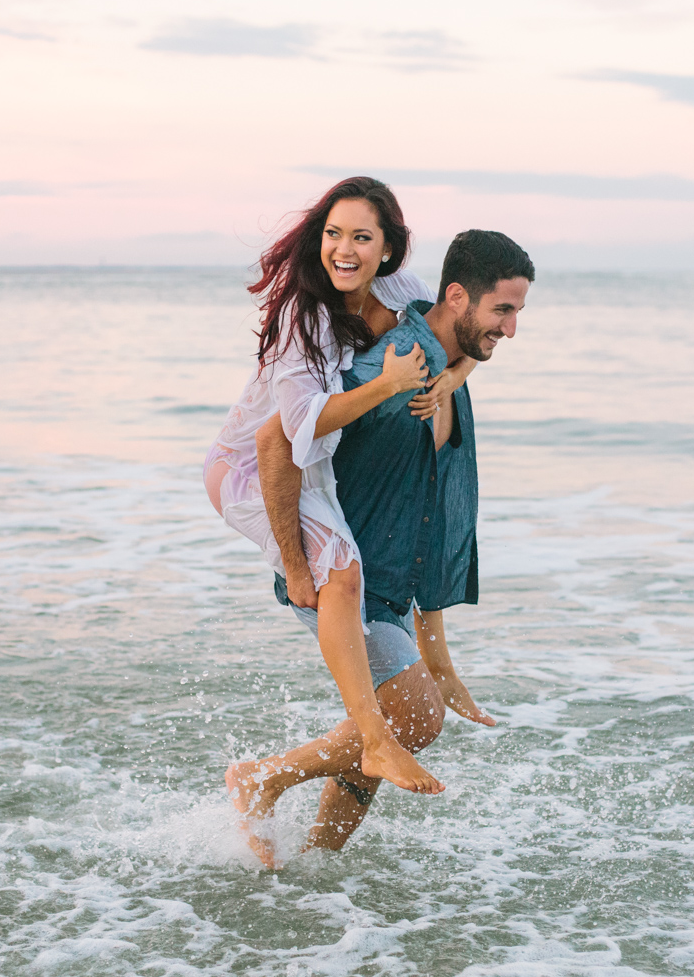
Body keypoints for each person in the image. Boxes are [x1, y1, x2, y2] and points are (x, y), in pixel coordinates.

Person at [227, 230, 535, 863]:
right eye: (502, 310)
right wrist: (296, 566)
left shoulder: (449, 370)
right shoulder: (395, 363)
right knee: (415, 718)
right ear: (457, 297)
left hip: (388, 579)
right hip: (341, 573)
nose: (510, 328)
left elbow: (437, 516)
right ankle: (264, 778)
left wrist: (441, 658)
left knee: (388, 728)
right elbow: (275, 443)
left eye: (517, 313)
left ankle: (312, 872)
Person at [204, 177, 475, 803]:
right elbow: (293, 430)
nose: (343, 249)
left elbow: (459, 343)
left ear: (388, 249)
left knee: (357, 593)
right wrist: (388, 385)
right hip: (247, 471)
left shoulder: (398, 291)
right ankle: (367, 745)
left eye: (360, 236)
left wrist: (449, 381)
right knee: (342, 575)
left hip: (317, 468)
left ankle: (295, 803)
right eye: (333, 234)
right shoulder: (305, 317)